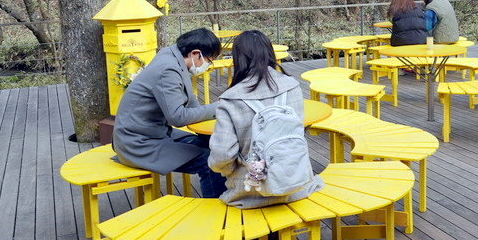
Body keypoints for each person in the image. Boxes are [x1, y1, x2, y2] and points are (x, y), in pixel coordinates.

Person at [208, 30, 323, 208]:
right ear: (270, 53)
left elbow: (221, 157)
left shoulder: (230, 99)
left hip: (249, 194)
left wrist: (230, 171)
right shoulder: (292, 86)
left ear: (238, 58)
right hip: (297, 186)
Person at [113, 28, 226, 199]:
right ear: (196, 54)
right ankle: (216, 213)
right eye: (209, 60)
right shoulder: (168, 70)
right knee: (209, 161)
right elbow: (177, 117)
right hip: (137, 143)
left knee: (211, 144)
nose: (208, 66)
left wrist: (209, 113)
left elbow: (189, 100)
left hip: (151, 133)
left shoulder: (172, 56)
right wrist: (217, 108)